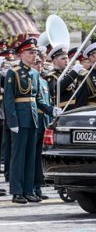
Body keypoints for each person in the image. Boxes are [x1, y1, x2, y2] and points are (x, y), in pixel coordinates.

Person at [4, 37, 57, 204]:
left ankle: (29, 190)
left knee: (30, 157)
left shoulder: (35, 73)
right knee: (18, 157)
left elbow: (38, 99)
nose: (34, 55)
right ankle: (17, 192)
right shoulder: (13, 72)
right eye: (30, 52)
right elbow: (9, 99)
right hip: (20, 119)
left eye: (35, 52)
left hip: (33, 118)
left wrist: (51, 109)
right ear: (22, 54)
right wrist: (12, 122)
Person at [32, 54, 51, 200]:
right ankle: (30, 187)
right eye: (36, 62)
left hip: (43, 121)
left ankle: (38, 186)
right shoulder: (30, 79)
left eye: (40, 62)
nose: (39, 65)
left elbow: (48, 102)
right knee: (31, 157)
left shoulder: (44, 81)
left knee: (40, 157)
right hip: (34, 120)